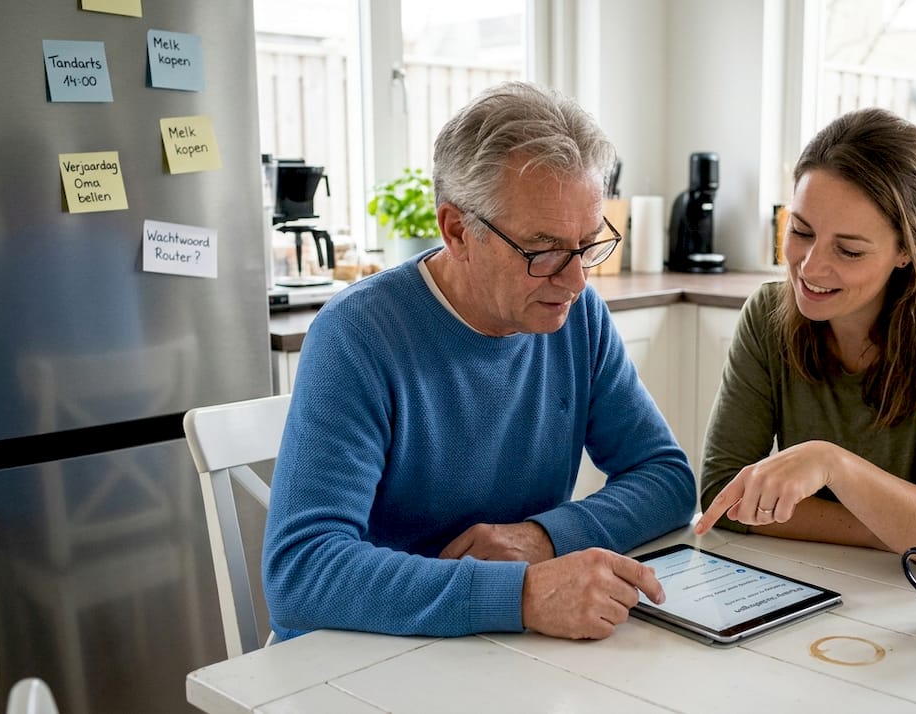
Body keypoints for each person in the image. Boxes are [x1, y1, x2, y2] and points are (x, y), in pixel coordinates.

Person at [263, 81, 697, 643]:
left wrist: (542, 538)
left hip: (502, 648)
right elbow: (302, 571)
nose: (575, 279)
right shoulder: (359, 336)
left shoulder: (577, 314)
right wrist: (522, 594)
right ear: (457, 231)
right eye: (542, 250)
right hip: (367, 653)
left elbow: (667, 479)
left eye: (588, 243)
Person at [694, 107, 916, 583]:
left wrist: (831, 464)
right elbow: (725, 497)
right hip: (846, 582)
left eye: (849, 250)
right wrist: (902, 528)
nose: (811, 267)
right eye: (800, 231)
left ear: (908, 250)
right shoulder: (767, 315)